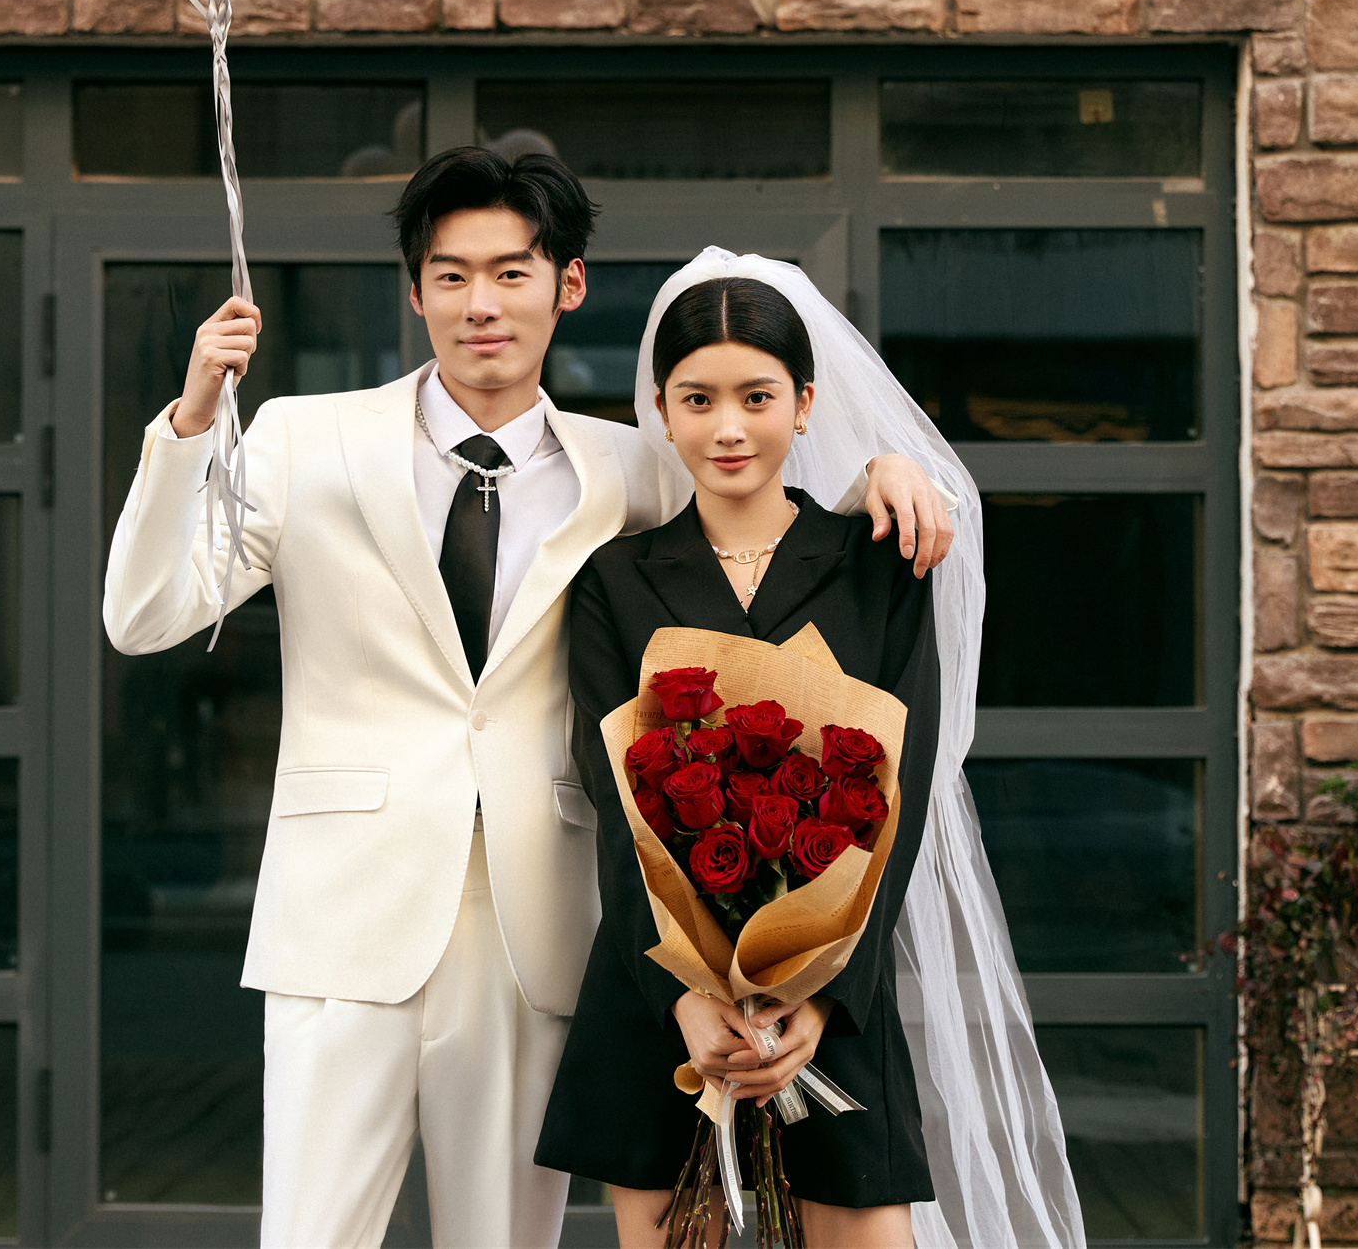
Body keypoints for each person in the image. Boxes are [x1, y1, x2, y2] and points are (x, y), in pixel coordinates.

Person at [100, 150, 956, 1249]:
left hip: (534, 918)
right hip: (342, 915)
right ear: (415, 291)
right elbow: (145, 613)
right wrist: (190, 425)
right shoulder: (305, 439)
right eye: (451, 275)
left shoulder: (631, 466)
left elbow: (754, 517)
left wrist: (876, 475)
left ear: (568, 285)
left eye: (511, 272)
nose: (482, 303)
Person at [538, 252, 1089, 1249]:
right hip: (660, 1005)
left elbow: (899, 798)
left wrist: (823, 997)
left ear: (803, 406)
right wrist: (684, 1000)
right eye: (698, 398)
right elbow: (616, 809)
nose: (728, 427)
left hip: (833, 1003)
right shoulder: (613, 580)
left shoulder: (877, 568)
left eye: (756, 397)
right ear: (661, 410)